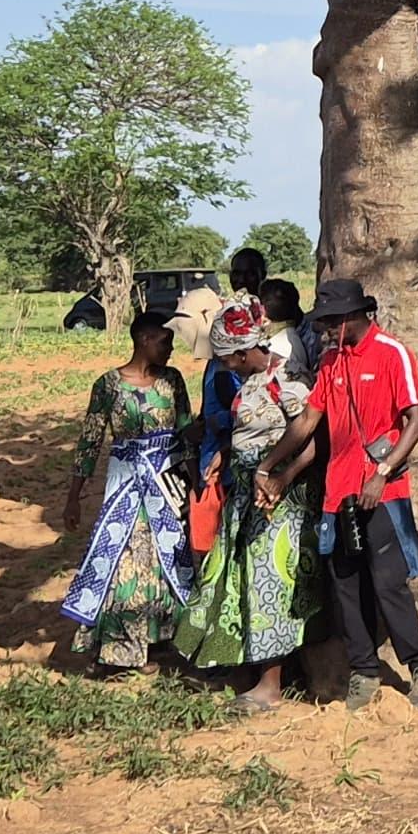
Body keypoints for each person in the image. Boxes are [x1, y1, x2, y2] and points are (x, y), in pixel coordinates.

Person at [300, 275, 418, 708]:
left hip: (383, 490)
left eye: (330, 320)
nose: (325, 329)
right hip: (337, 492)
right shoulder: (330, 362)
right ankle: (363, 671)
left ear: (352, 317)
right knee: (345, 582)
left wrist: (382, 470)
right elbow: (310, 421)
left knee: (388, 583)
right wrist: (277, 467)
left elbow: (416, 419)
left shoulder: (391, 353)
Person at [176, 309, 322, 707]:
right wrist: (227, 453)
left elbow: (310, 443)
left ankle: (271, 685)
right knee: (232, 580)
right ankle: (234, 665)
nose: (223, 366)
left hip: (275, 505)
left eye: (225, 359)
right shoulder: (252, 382)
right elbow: (249, 431)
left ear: (240, 354)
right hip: (245, 498)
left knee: (268, 588)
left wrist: (279, 474)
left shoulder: (287, 382)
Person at [54, 302, 198, 669]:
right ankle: (119, 649)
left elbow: (185, 431)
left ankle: (163, 638)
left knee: (170, 556)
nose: (170, 350)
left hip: (168, 483)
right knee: (125, 557)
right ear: (144, 340)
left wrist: (195, 480)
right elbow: (90, 441)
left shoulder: (173, 380)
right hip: (127, 485)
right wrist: (74, 496)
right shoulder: (108, 386)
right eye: (164, 342)